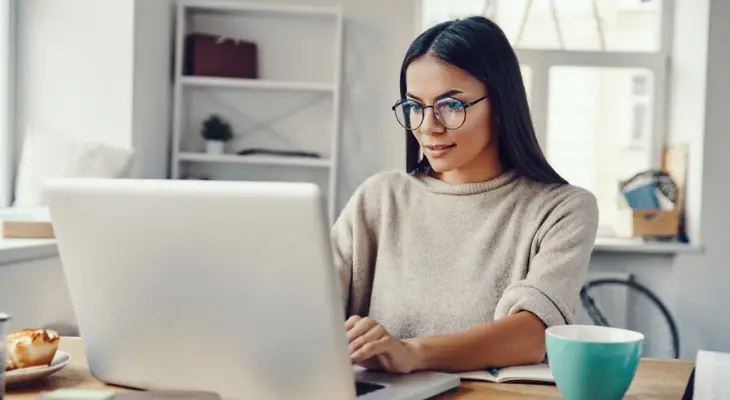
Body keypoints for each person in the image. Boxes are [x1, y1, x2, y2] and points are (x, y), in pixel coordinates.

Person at [331, 16, 599, 374]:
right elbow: (311, 303)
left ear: (501, 105)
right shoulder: (378, 198)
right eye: (414, 107)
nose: (428, 127)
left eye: (450, 106)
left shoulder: (562, 209)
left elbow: (532, 334)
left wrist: (413, 352)